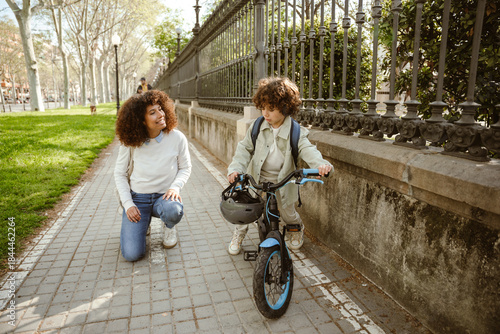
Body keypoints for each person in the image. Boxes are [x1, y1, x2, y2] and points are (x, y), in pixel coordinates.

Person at [226, 77, 333, 255]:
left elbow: (308, 150)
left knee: (287, 213)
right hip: (257, 178)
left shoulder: (295, 131)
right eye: (263, 108)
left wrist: (321, 165)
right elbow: (244, 149)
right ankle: (239, 233)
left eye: (271, 109)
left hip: (284, 182)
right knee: (245, 209)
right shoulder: (257, 126)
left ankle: (296, 228)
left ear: (285, 108)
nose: (265, 114)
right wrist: (236, 169)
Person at [114, 90, 192, 262]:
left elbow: (185, 168)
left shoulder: (177, 138)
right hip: (138, 199)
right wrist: (128, 205)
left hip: (164, 197)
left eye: (160, 109)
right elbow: (119, 174)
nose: (160, 115)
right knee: (132, 254)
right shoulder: (130, 142)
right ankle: (143, 223)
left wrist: (175, 187)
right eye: (152, 112)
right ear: (141, 121)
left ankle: (169, 226)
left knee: (173, 210)